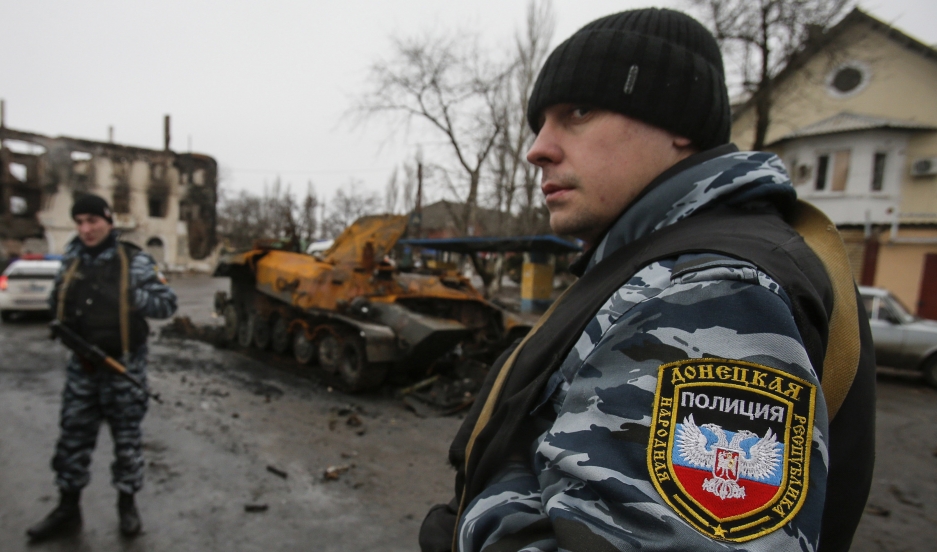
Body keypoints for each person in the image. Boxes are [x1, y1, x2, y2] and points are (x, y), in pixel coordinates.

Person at [420, 8, 875, 552]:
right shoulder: (654, 263)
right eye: (541, 123)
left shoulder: (715, 292)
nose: (537, 148)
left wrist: (476, 508)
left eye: (579, 112)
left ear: (679, 125)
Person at [27, 194, 177, 541]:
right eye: (79, 222)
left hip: (123, 369)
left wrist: (130, 297)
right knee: (72, 442)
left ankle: (127, 506)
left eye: (92, 221)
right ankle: (67, 508)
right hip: (82, 371)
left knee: (127, 445)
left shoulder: (135, 261)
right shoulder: (72, 261)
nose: (86, 229)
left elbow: (166, 304)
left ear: (108, 221)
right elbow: (55, 302)